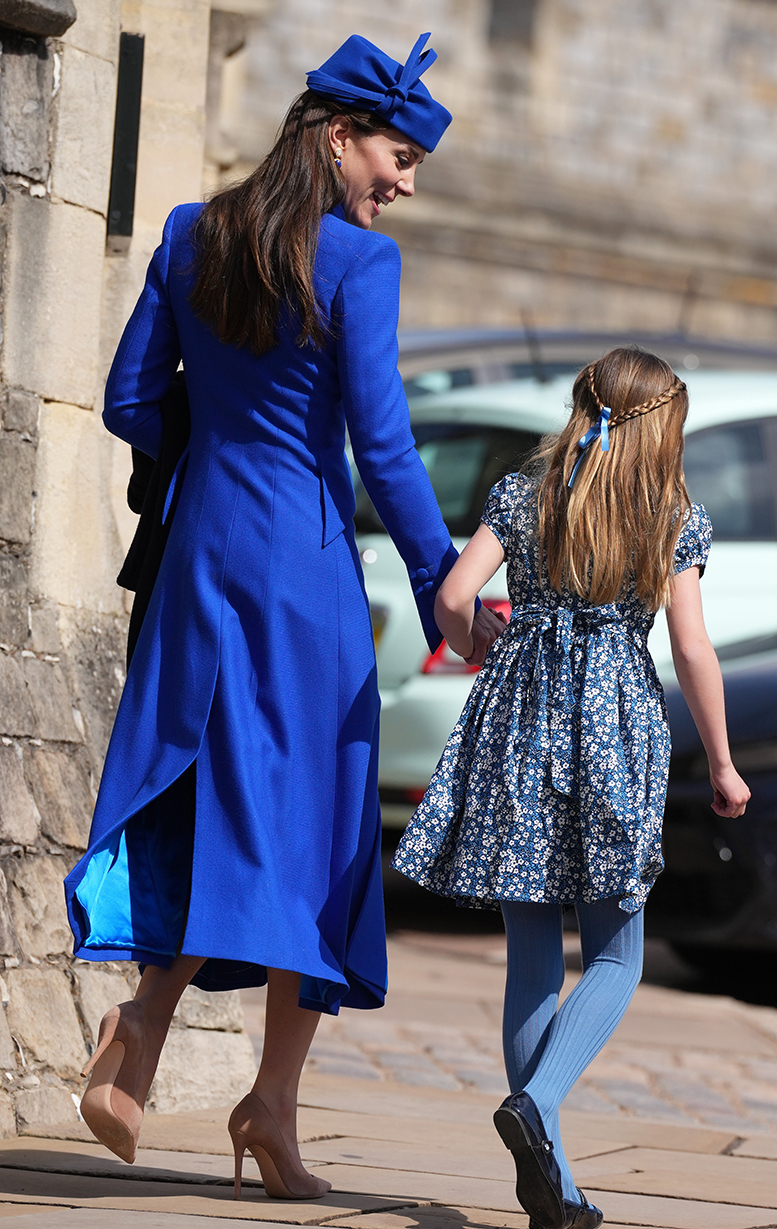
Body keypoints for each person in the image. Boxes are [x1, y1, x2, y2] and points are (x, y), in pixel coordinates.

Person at [63, 31, 502, 1199]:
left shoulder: (188, 233)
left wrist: (208, 469)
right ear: (335, 136)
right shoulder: (360, 265)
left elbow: (128, 401)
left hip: (201, 562)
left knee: (211, 796)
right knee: (321, 834)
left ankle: (162, 1044)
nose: (402, 182)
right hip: (303, 578)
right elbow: (386, 447)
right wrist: (441, 585)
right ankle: (264, 1097)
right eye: (397, 154)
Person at [392, 347, 750, 1229]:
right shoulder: (672, 516)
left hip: (518, 719)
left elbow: (453, 593)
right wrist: (725, 760)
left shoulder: (526, 494)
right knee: (619, 952)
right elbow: (695, 649)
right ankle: (540, 1106)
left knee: (531, 956)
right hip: (614, 727)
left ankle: (549, 1168)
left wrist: (481, 642)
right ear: (661, 427)